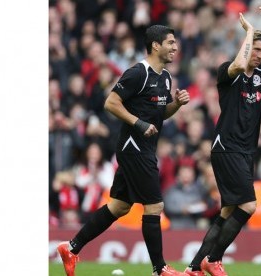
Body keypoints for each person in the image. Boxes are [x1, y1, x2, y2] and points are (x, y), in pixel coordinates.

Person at [57, 24, 190, 276]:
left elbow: (160, 115)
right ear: (156, 45)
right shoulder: (137, 73)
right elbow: (111, 102)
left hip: (145, 148)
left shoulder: (165, 77)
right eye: (171, 43)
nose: (175, 47)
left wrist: (176, 105)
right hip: (134, 148)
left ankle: (71, 247)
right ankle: (160, 269)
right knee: (154, 206)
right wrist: (138, 124)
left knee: (119, 206)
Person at [184, 7, 261, 276]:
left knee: (227, 212)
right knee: (249, 205)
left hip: (246, 152)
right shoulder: (227, 74)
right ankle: (214, 259)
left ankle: (193, 268)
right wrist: (247, 33)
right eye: (255, 50)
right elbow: (238, 64)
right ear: (247, 48)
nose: (259, 55)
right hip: (227, 147)